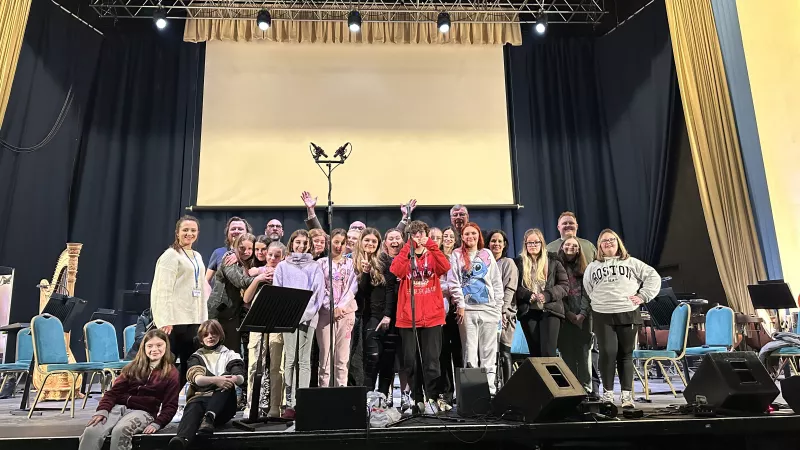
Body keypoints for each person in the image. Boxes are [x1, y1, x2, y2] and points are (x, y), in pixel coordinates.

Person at [584, 229, 660, 409]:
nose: (608, 243)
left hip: (627, 312)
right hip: (602, 314)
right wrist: (598, 300)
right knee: (607, 352)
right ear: (599, 246)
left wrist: (643, 296)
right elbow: (588, 287)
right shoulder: (593, 266)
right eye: (604, 241)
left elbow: (653, 276)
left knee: (625, 355)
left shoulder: (631, 262)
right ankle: (608, 393)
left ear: (618, 242)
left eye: (612, 239)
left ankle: (627, 395)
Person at [80, 330, 180, 450]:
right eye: (150, 346)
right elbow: (113, 392)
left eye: (159, 345)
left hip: (144, 411)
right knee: (92, 431)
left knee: (121, 430)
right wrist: (103, 410)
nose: (154, 349)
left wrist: (158, 423)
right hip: (118, 407)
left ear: (166, 346)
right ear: (144, 347)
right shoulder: (132, 367)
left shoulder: (171, 373)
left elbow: (171, 405)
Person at [390, 220, 451, 414]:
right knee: (411, 362)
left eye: (421, 234)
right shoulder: (405, 256)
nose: (418, 238)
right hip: (409, 317)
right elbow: (396, 270)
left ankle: (432, 398)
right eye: (414, 235)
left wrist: (430, 244)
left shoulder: (433, 255)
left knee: (432, 361)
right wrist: (409, 247)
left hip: (432, 316)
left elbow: (445, 266)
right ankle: (417, 400)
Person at [151, 215, 210, 388]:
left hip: (193, 320)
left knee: (189, 364)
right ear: (177, 233)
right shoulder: (170, 256)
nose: (189, 233)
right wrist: (164, 320)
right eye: (185, 230)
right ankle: (159, 401)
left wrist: (203, 320)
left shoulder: (197, 256)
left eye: (193, 230)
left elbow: (199, 290)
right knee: (167, 366)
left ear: (198, 233)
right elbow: (162, 289)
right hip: (174, 321)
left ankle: (176, 401)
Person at [169, 320, 245, 449]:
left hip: (223, 407)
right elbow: (197, 379)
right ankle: (181, 440)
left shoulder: (230, 354)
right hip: (201, 400)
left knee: (226, 382)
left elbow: (240, 378)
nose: (210, 337)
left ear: (220, 336)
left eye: (214, 333)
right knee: (194, 405)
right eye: (206, 335)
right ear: (201, 339)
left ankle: (210, 416)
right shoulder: (196, 357)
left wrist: (224, 380)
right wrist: (217, 380)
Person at [274, 229, 325, 418]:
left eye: (305, 243)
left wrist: (305, 315)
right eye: (298, 242)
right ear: (292, 243)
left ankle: (302, 401)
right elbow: (278, 292)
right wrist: (290, 315)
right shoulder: (282, 267)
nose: (301, 246)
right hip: (288, 318)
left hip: (308, 318)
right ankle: (290, 403)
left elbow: (318, 294)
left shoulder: (315, 266)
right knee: (290, 359)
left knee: (304, 361)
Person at [448, 223, 504, 395]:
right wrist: (461, 305)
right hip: (468, 311)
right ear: (462, 237)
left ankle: (490, 391)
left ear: (478, 235)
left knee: (489, 351)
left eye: (473, 233)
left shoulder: (486, 254)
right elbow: (454, 282)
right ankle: (472, 392)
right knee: (470, 351)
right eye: (466, 234)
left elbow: (496, 281)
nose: (470, 236)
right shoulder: (456, 255)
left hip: (489, 309)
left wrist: (499, 306)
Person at [242, 240, 287, 417]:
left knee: (277, 364)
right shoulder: (259, 273)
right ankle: (252, 405)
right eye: (270, 255)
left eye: (277, 256)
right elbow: (246, 298)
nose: (273, 258)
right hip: (258, 319)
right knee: (254, 362)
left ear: (283, 257)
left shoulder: (285, 273)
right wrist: (258, 279)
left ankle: (276, 406)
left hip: (277, 320)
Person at [514, 228, 568, 358]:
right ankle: (538, 379)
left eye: (536, 242)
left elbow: (564, 285)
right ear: (525, 244)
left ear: (541, 243)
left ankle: (551, 379)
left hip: (550, 311)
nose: (533, 245)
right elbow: (514, 286)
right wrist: (527, 295)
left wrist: (547, 295)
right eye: (529, 243)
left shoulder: (553, 260)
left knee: (548, 352)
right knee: (535, 353)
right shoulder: (518, 263)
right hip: (528, 312)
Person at [316, 229, 359, 387]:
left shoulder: (351, 263)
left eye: (343, 243)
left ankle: (341, 391)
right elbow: (320, 288)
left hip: (346, 313)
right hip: (325, 314)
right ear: (329, 242)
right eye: (336, 242)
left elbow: (352, 287)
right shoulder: (320, 264)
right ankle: (324, 391)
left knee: (342, 358)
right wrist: (331, 306)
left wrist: (341, 307)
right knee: (325, 357)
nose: (339, 246)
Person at [358, 229, 397, 395]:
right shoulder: (353, 260)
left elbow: (390, 290)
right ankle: (368, 396)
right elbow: (362, 292)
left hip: (387, 315)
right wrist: (365, 273)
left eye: (374, 241)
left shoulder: (384, 261)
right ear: (361, 241)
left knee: (387, 360)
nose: (370, 244)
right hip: (369, 316)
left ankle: (383, 397)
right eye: (367, 240)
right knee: (372, 357)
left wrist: (388, 314)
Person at [557, 237, 593, 393]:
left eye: (574, 245)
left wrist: (582, 314)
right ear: (562, 247)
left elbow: (588, 293)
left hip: (584, 318)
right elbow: (558, 293)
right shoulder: (556, 267)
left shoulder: (586, 269)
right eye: (567, 244)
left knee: (584, 354)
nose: (570, 247)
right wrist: (569, 314)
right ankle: (571, 389)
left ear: (579, 249)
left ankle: (586, 388)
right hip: (564, 316)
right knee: (567, 353)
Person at [486, 229, 519, 386]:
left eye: (499, 241)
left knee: (504, 352)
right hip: (487, 314)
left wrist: (503, 311)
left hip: (505, 315)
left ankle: (507, 388)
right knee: (489, 354)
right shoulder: (483, 264)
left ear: (505, 244)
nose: (496, 244)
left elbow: (510, 289)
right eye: (493, 241)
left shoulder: (508, 263)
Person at [437, 225, 461, 405]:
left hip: (458, 310)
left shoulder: (460, 256)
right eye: (445, 236)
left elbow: (463, 282)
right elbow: (435, 284)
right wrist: (450, 288)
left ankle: (461, 391)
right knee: (443, 352)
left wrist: (453, 290)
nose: (448, 238)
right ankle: (446, 391)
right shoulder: (436, 258)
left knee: (459, 352)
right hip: (441, 311)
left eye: (451, 236)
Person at [206, 217, 252, 283]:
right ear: (227, 233)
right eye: (233, 229)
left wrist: (238, 256)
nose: (236, 231)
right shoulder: (218, 252)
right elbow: (207, 280)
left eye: (240, 229)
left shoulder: (254, 252)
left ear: (247, 232)